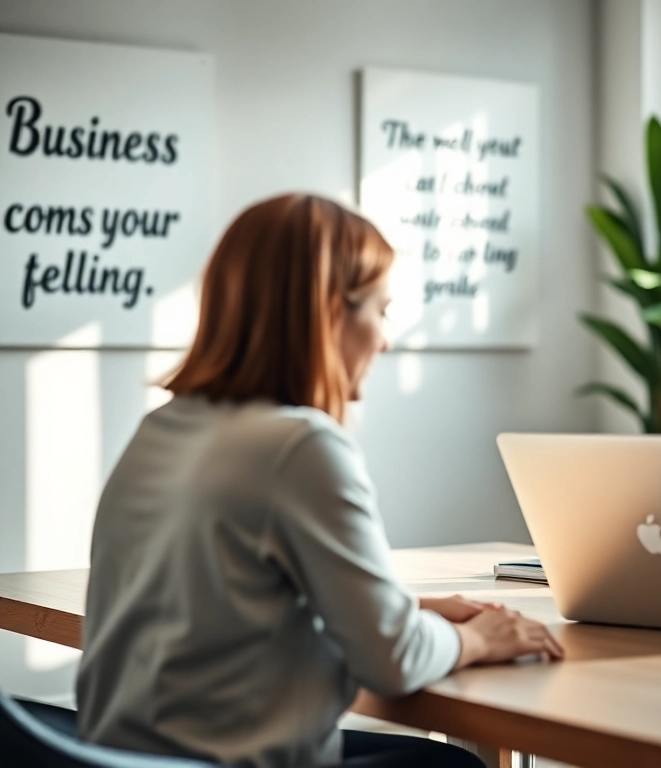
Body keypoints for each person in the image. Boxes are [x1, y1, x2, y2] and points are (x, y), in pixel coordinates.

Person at [76, 194, 562, 768]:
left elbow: (229, 599)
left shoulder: (162, 428)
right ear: (332, 312)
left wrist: (402, 606)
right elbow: (395, 659)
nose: (385, 340)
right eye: (381, 312)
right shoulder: (300, 446)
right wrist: (483, 639)